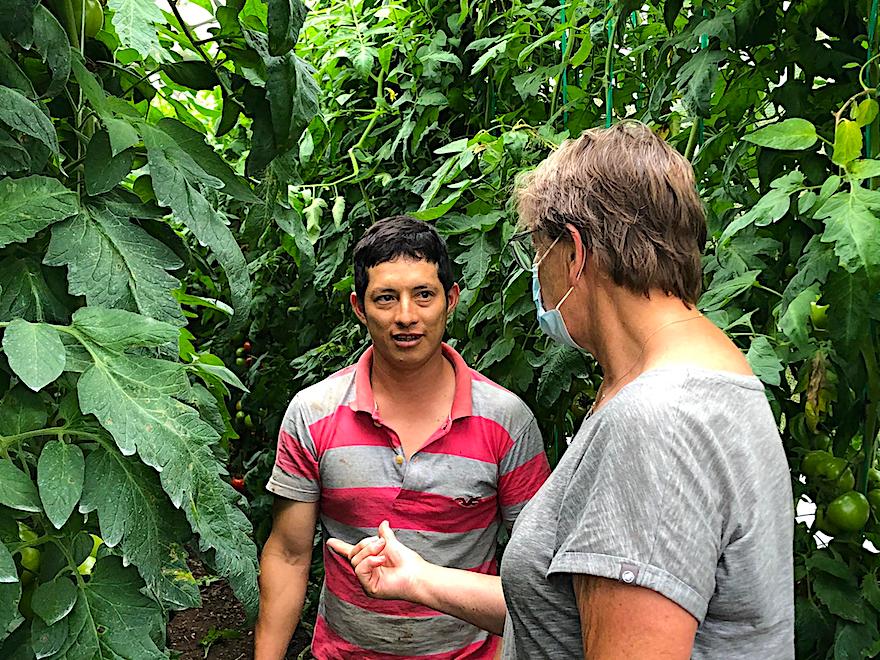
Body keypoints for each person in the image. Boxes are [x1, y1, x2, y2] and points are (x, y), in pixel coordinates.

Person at [328, 122, 795, 659]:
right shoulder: (714, 381)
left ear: (574, 252)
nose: (538, 277)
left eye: (539, 255)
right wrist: (419, 579)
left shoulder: (656, 422)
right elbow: (567, 611)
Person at [254, 215, 551, 660]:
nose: (406, 316)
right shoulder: (313, 414)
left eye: (424, 295)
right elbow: (289, 555)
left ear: (451, 300)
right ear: (359, 307)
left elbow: (537, 575)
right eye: (386, 299)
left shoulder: (507, 421)